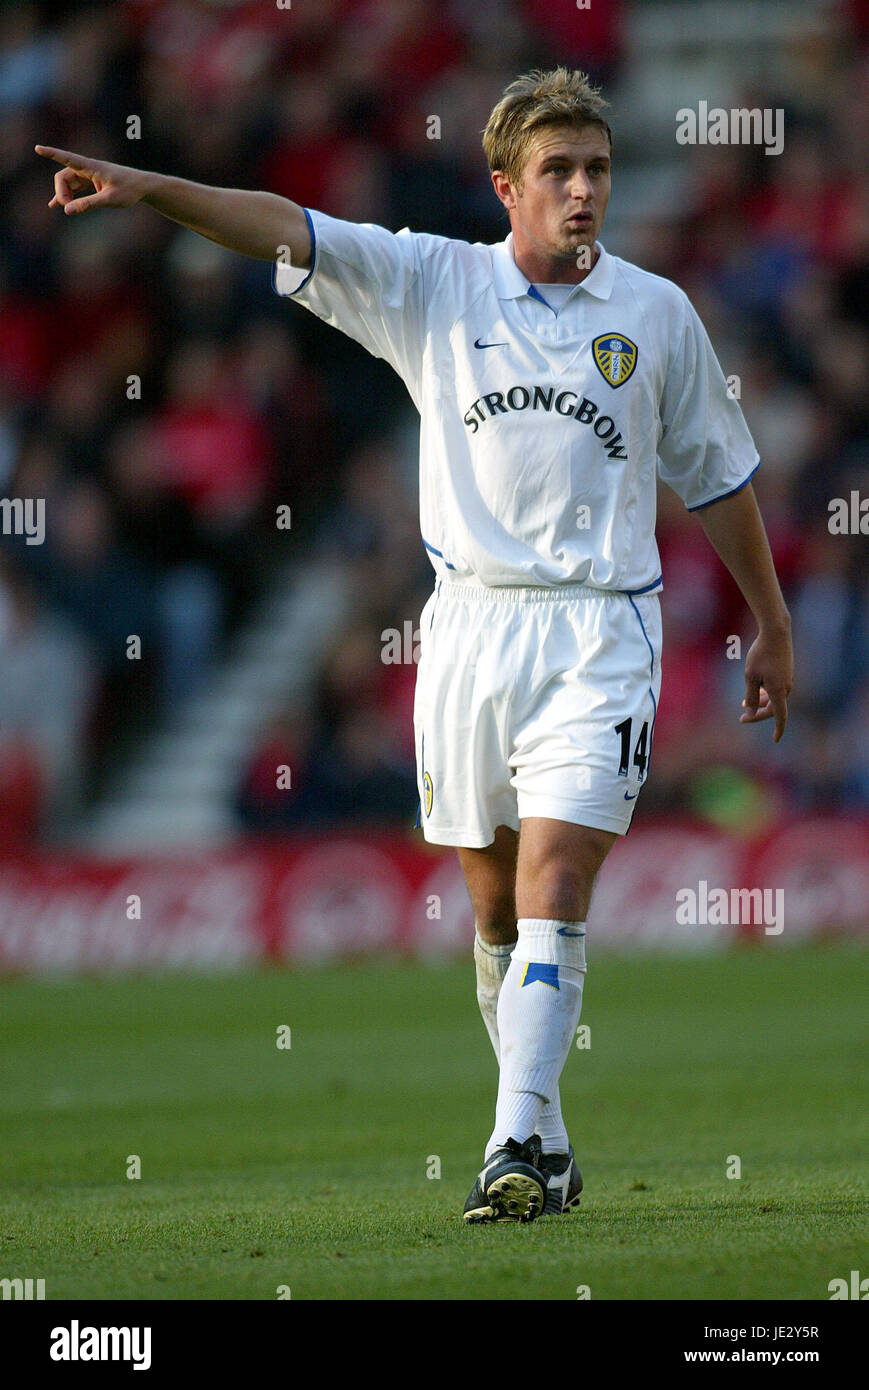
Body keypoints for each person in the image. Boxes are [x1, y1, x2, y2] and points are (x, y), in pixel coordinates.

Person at [37, 66, 794, 1224]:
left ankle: (506, 1142)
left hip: (600, 629)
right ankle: (540, 1128)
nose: (583, 189)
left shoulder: (655, 315)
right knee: (491, 908)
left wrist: (768, 622)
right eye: (558, 171)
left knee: (553, 883)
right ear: (505, 185)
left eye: (596, 167)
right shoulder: (432, 282)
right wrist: (152, 191)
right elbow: (278, 223)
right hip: (469, 632)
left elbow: (721, 480)